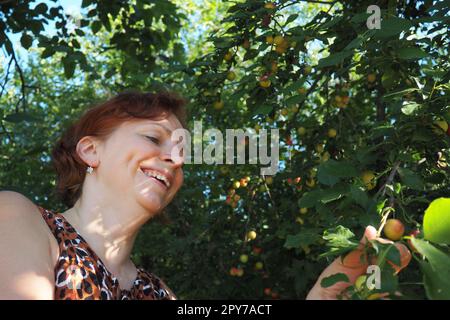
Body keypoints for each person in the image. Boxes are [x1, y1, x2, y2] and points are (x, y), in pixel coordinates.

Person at [0, 91, 410, 300]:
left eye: (181, 151)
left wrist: (324, 294)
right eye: (153, 138)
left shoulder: (160, 292)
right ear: (91, 150)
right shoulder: (20, 218)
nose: (174, 159)